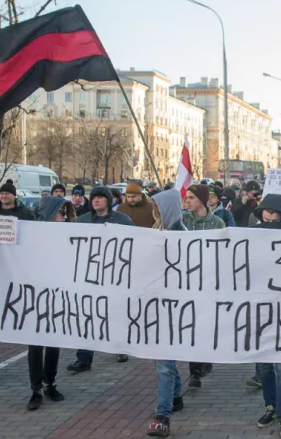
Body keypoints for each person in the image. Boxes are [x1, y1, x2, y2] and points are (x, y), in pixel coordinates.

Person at [68, 186, 133, 372]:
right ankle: (84, 358)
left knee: (114, 313)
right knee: (87, 316)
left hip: (114, 275)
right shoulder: (82, 221)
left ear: (109, 201)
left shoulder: (122, 220)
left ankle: (120, 347)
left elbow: (134, 243)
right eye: (93, 198)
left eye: (100, 198)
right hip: (88, 276)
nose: (96, 201)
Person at [250, 194, 281, 438]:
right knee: (264, 367)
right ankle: (271, 407)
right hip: (259, 310)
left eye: (273, 212)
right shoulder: (250, 235)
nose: (268, 216)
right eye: (264, 212)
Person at [25, 197, 74, 410]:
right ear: (48, 213)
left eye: (65, 213)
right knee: (35, 344)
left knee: (54, 342)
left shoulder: (69, 233)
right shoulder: (30, 234)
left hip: (58, 295)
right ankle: (35, 388)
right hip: (36, 295)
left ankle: (50, 383)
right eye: (60, 213)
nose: (63, 217)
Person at [147, 190, 186, 437]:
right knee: (162, 361)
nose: (156, 212)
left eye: (160, 207)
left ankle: (163, 415)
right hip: (155, 305)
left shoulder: (182, 235)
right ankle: (177, 396)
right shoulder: (154, 230)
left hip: (174, 308)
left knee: (164, 364)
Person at [182, 183, 226, 387]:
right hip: (185, 282)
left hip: (209, 281)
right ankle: (195, 371)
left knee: (206, 324)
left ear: (201, 199)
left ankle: (206, 359)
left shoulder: (217, 223)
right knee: (191, 325)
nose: (187, 201)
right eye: (185, 198)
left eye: (191, 197)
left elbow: (225, 250)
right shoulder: (181, 220)